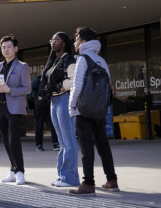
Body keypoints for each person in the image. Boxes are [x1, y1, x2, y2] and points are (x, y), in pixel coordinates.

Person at [68, 27, 119, 195]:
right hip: (99, 110)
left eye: (76, 39)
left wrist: (71, 107)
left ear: (83, 42)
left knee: (86, 148)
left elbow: (76, 87)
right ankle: (112, 180)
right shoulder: (101, 60)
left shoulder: (83, 59)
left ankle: (88, 183)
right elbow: (109, 87)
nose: (75, 42)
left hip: (83, 110)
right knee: (103, 145)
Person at [0, 35, 32, 186]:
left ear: (15, 49)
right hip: (1, 108)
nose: (6, 49)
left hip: (15, 107)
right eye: (3, 47)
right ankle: (12, 170)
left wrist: (10, 90)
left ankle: (20, 171)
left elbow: (27, 89)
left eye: (9, 47)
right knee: (6, 140)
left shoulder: (22, 66)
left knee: (14, 139)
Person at [40, 32, 80, 188]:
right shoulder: (54, 61)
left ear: (64, 43)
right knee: (62, 142)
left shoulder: (69, 60)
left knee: (69, 140)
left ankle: (70, 178)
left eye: (56, 39)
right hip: (54, 101)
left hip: (64, 99)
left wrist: (59, 87)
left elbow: (72, 81)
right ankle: (63, 175)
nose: (52, 42)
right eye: (51, 39)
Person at [31, 74, 59, 152]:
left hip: (50, 103)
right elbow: (29, 88)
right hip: (40, 104)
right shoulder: (39, 78)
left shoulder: (53, 77)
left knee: (53, 124)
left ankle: (55, 143)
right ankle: (39, 145)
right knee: (39, 125)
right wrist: (36, 96)